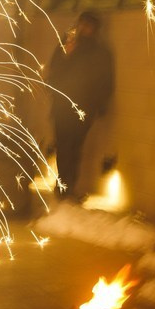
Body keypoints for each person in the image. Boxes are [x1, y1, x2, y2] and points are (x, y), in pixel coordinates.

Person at [45, 11, 114, 201]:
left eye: (89, 26)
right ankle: (63, 186)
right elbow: (54, 72)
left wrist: (100, 105)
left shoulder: (99, 52)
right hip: (62, 107)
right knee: (64, 147)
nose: (85, 29)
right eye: (83, 24)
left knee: (74, 148)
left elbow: (105, 80)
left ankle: (69, 187)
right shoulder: (68, 45)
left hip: (83, 109)